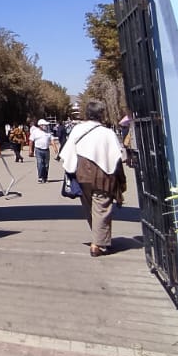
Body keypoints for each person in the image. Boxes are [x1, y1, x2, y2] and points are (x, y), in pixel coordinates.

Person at [59, 99, 126, 256]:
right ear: (101, 114)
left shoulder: (77, 130)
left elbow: (67, 152)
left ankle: (98, 238)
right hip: (104, 176)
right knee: (101, 208)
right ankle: (98, 244)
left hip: (82, 174)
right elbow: (117, 156)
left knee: (90, 208)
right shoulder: (107, 133)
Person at [29, 118, 53, 183]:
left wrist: (55, 148)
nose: (46, 126)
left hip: (46, 150)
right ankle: (40, 177)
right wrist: (30, 150)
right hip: (38, 150)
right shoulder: (35, 132)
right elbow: (31, 141)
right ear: (40, 125)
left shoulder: (48, 132)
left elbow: (52, 140)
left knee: (46, 165)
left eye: (46, 125)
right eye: (44, 125)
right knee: (40, 164)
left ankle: (45, 177)